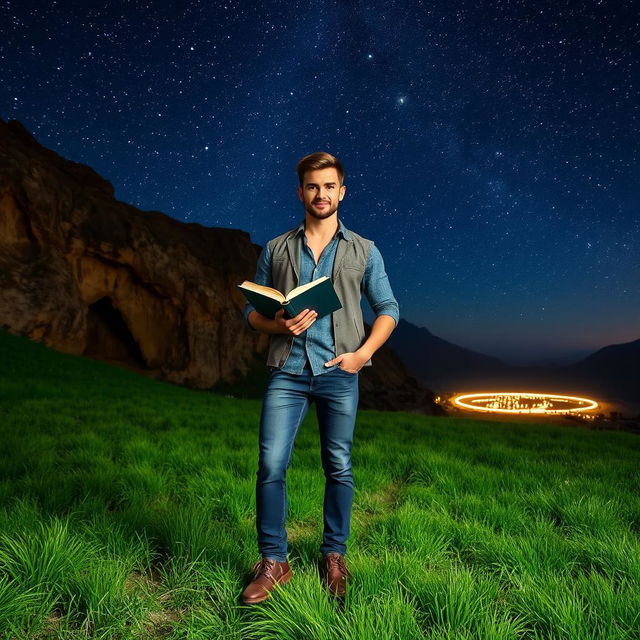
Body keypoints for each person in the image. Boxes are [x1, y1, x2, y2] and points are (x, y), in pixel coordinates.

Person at [239, 151, 399, 604]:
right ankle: (274, 561)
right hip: (286, 372)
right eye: (313, 186)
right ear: (300, 192)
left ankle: (334, 556)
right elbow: (252, 310)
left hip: (339, 371)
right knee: (271, 465)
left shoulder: (364, 249)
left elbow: (389, 310)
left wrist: (362, 354)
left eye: (329, 186)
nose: (321, 194)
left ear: (341, 191)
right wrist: (276, 325)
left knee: (339, 466)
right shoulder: (275, 248)